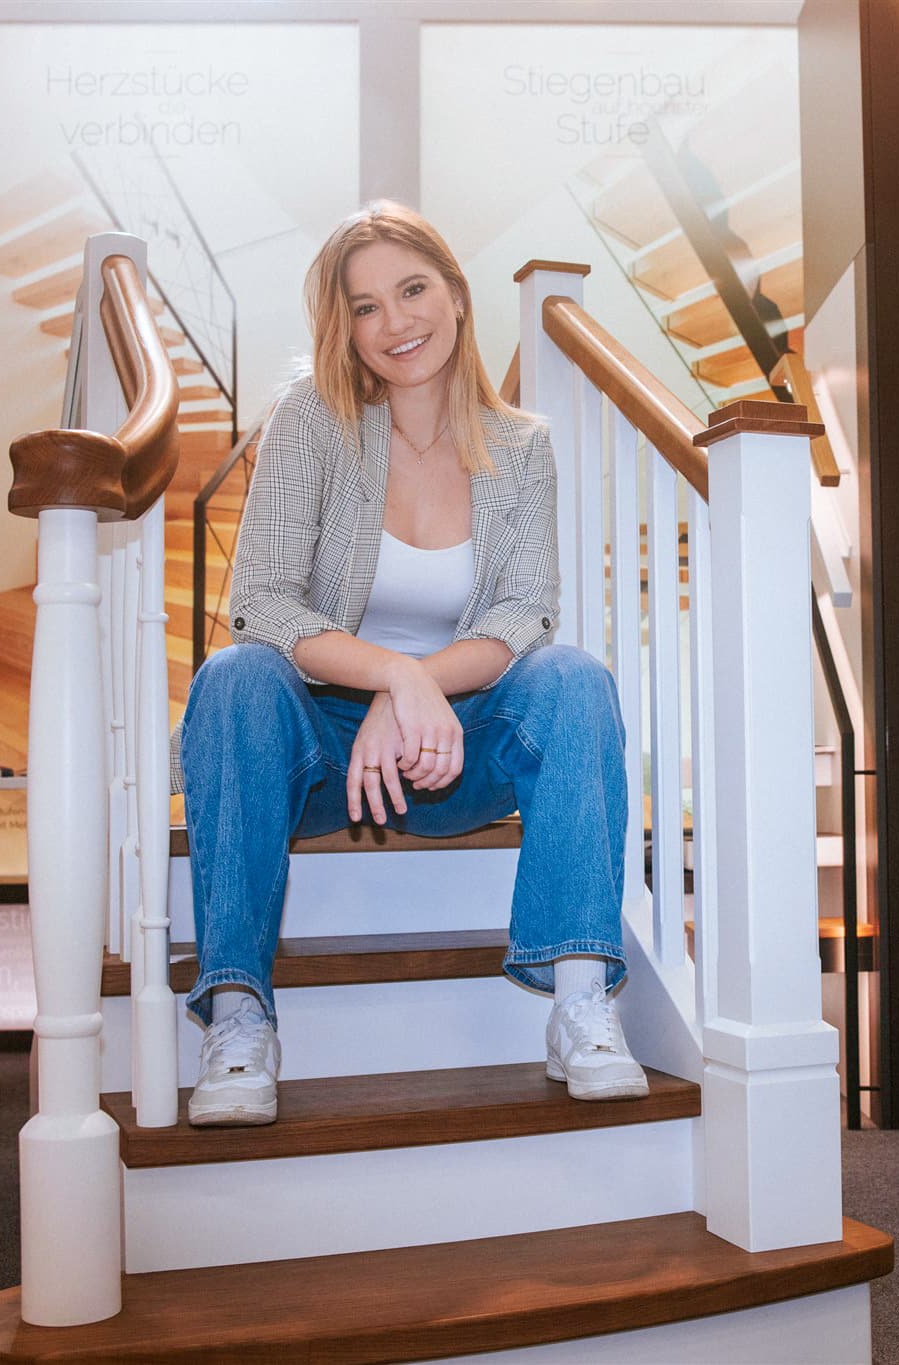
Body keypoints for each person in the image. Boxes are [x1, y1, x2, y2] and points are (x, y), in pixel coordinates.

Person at [175, 201, 643, 1126]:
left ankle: (581, 1004)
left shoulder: (522, 446)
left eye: (413, 289)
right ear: (344, 328)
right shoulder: (311, 421)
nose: (395, 322)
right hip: (326, 751)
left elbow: (523, 613)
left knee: (574, 679)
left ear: (457, 296)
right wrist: (397, 675)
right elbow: (261, 601)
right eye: (365, 306)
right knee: (233, 678)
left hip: (458, 750)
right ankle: (238, 1018)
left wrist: (425, 689)